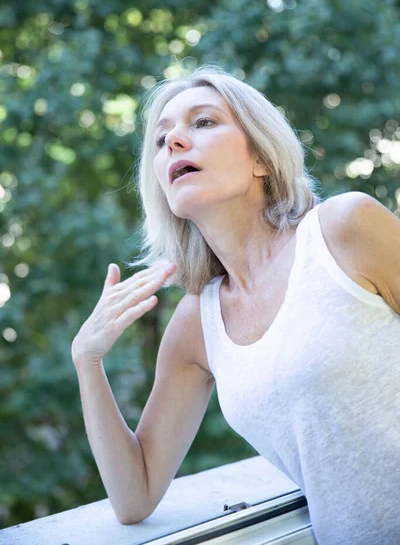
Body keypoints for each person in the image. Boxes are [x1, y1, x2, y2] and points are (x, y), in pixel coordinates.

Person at [72, 64, 400, 544]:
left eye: (202, 122)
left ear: (261, 159)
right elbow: (134, 496)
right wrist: (87, 359)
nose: (174, 144)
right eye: (161, 141)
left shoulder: (344, 229)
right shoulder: (195, 326)